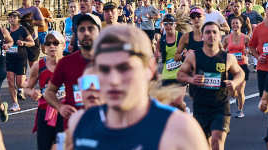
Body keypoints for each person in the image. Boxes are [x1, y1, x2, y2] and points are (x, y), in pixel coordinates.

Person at [66, 24, 209, 150]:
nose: (114, 80)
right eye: (104, 69)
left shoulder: (180, 130)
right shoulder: (79, 123)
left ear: (150, 68)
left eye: (124, 68)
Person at [177, 22, 245, 150]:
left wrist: (234, 82)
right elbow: (180, 74)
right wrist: (191, 79)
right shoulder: (193, 56)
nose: (211, 35)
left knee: (217, 141)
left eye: (214, 32)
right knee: (205, 145)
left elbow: (239, 73)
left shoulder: (228, 58)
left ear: (220, 36)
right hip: (200, 107)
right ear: (202, 36)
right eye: (207, 32)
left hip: (220, 106)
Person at [44, 14, 101, 129]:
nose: (86, 33)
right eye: (81, 29)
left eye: (91, 29)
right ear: (77, 34)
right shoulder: (66, 63)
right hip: (74, 128)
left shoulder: (111, 61)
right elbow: (49, 92)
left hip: (104, 128)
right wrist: (60, 107)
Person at [25, 31, 65, 150]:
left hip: (64, 112)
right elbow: (26, 88)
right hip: (45, 113)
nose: (52, 46)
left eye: (56, 43)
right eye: (48, 43)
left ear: (63, 45)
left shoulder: (68, 64)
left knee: (61, 147)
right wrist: (31, 92)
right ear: (44, 48)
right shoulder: (39, 66)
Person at [6, 11, 35, 112]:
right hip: (9, 59)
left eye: (14, 17)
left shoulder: (23, 30)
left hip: (20, 59)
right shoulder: (6, 30)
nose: (12, 19)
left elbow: (32, 43)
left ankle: (27, 84)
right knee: (10, 81)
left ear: (18, 19)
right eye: (10, 17)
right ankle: (15, 104)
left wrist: (23, 42)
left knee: (20, 83)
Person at [223, 16, 250, 118]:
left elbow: (252, 48)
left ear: (241, 25)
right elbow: (221, 51)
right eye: (233, 23)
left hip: (242, 66)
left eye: (237, 23)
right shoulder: (226, 38)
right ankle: (237, 100)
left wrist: (248, 51)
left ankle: (240, 110)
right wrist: (225, 54)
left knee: (240, 90)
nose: (235, 25)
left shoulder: (246, 38)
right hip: (231, 67)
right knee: (232, 92)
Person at [17, 0, 45, 67]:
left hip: (33, 41)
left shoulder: (35, 9)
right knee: (21, 68)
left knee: (34, 67)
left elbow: (42, 23)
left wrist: (31, 21)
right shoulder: (17, 11)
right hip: (21, 42)